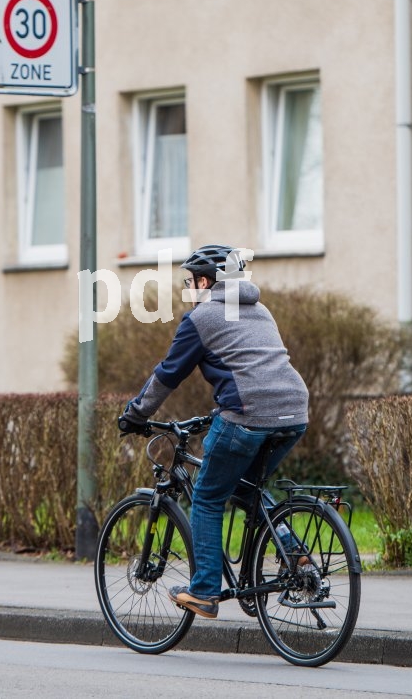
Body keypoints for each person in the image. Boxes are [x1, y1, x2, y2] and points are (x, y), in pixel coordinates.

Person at [118, 244, 308, 619]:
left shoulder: (202, 317)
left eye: (190, 282)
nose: (187, 290)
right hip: (294, 412)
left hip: (248, 415)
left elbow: (168, 373)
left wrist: (135, 414)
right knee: (248, 488)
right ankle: (294, 552)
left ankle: (204, 591)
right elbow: (253, 365)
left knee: (206, 496)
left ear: (206, 281)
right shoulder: (258, 309)